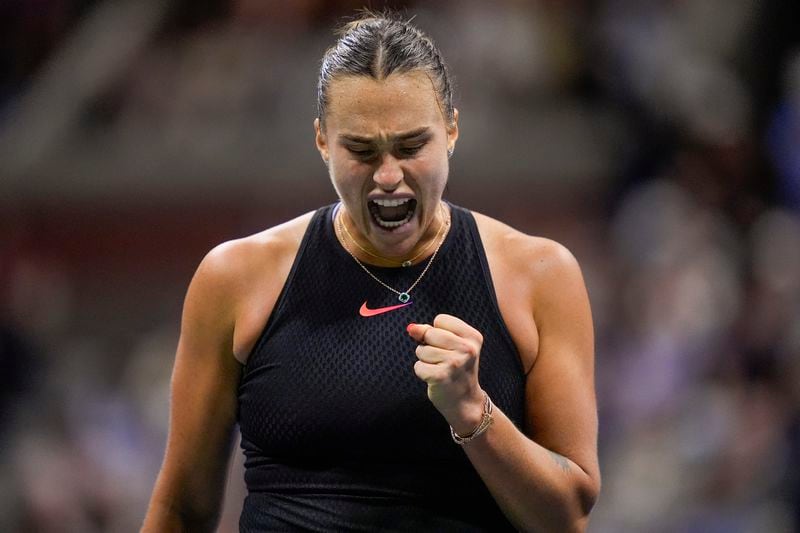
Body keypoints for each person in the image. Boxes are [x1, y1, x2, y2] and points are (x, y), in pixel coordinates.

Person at [142, 11, 600, 533]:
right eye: (360, 150)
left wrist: (475, 413)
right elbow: (181, 509)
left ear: (451, 129)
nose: (388, 176)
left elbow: (566, 518)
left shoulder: (540, 276)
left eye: (411, 147)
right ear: (321, 141)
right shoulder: (236, 277)